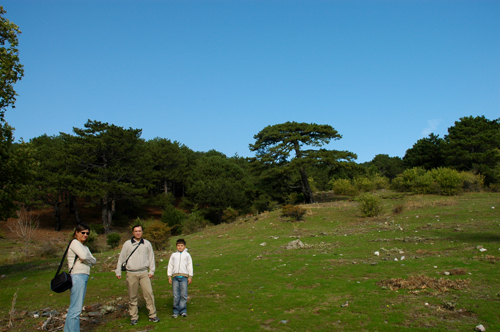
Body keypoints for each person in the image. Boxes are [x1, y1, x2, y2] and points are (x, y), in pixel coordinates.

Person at [115, 225, 160, 325]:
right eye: (136, 231)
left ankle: (153, 315)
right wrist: (118, 271)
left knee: (149, 294)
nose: (138, 233)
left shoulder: (147, 243)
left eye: (139, 231)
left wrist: (151, 271)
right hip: (131, 273)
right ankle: (134, 317)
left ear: (142, 232)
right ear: (133, 233)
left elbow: (151, 257)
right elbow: (121, 258)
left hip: (144, 272)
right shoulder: (127, 244)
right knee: (132, 296)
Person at [64, 223, 96, 332]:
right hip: (77, 276)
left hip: (83, 276)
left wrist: (87, 260)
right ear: (76, 233)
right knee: (76, 308)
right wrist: (88, 259)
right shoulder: (75, 243)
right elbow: (84, 257)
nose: (85, 235)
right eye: (83, 233)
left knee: (75, 306)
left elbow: (94, 260)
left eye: (87, 233)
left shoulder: (84, 247)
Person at [167, 238, 193, 318]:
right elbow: (170, 265)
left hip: (184, 277)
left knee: (183, 294)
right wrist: (169, 276)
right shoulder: (174, 255)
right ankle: (175, 311)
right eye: (178, 246)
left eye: (182, 246)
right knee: (176, 295)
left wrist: (190, 276)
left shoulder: (187, 255)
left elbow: (189, 265)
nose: (180, 247)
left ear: (185, 246)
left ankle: (183, 310)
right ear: (176, 246)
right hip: (175, 277)